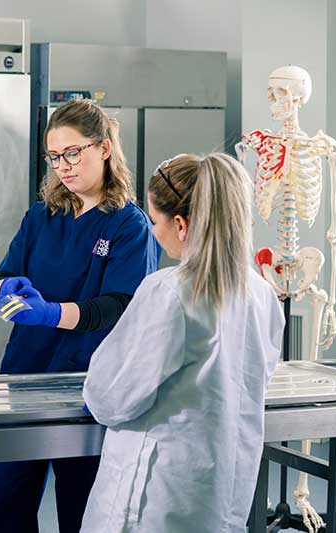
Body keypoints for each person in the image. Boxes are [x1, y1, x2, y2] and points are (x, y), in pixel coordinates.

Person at [81, 153, 285, 532]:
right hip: (218, 491)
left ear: (180, 224)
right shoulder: (262, 295)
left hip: (155, 497)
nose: (153, 233)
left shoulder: (169, 292)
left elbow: (111, 399)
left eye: (155, 222)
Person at [0, 98, 160, 533]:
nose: (62, 166)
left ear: (103, 148)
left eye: (72, 153)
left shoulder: (128, 225)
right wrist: (4, 288)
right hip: (23, 381)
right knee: (7, 506)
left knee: (82, 511)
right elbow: (5, 272)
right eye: (54, 156)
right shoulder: (42, 215)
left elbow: (118, 308)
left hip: (87, 388)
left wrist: (49, 314)